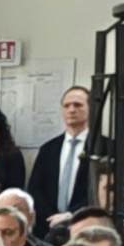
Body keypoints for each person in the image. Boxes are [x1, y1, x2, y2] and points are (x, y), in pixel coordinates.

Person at [26, 81, 102, 221]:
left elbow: (102, 190)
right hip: (49, 225)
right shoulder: (48, 149)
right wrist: (51, 217)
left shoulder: (103, 146)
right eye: (66, 106)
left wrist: (72, 215)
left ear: (91, 108)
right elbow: (35, 189)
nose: (71, 110)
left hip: (86, 221)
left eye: (78, 105)